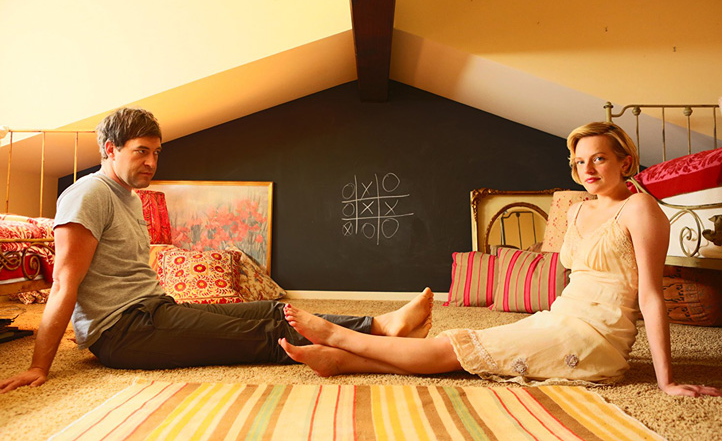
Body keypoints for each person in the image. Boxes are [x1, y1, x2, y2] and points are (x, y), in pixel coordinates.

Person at [0, 107, 433, 394]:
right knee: (267, 335)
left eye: (156, 153)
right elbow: (64, 284)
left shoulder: (128, 195)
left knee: (274, 311)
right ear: (110, 150)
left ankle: (377, 325)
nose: (151, 162)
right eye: (141, 152)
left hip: (154, 310)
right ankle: (384, 340)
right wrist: (40, 366)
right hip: (123, 332)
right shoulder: (87, 195)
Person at [278, 122, 722, 398]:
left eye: (599, 159)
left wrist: (666, 380)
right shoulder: (578, 209)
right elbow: (573, 279)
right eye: (578, 162)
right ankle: (342, 361)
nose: (587, 169)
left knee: (450, 350)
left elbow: (651, 295)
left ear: (626, 162)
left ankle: (340, 337)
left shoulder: (641, 209)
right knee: (465, 344)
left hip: (596, 338)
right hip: (559, 318)